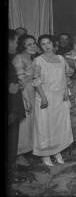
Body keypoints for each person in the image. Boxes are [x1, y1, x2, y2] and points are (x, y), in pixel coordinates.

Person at [32, 35, 74, 166]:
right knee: (45, 126)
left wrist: (66, 90)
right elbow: (36, 80)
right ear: (40, 47)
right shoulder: (38, 60)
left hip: (60, 97)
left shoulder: (60, 58)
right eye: (43, 44)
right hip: (45, 97)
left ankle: (57, 151)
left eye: (48, 43)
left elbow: (66, 75)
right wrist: (43, 98)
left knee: (58, 126)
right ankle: (45, 154)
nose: (46, 46)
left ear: (53, 43)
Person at [12, 35, 38, 166]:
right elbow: (19, 82)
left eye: (34, 43)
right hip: (23, 94)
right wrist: (26, 100)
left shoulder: (31, 58)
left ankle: (27, 152)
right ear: (22, 46)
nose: (33, 46)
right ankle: (18, 155)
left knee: (31, 124)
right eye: (29, 44)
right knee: (23, 125)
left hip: (32, 92)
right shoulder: (19, 58)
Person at [8, 30, 27, 186]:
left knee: (12, 147)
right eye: (14, 41)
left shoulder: (11, 59)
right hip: (10, 110)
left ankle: (11, 175)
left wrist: (17, 85)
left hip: (14, 109)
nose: (16, 44)